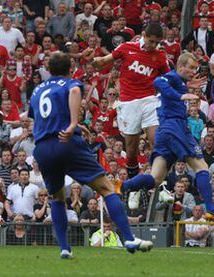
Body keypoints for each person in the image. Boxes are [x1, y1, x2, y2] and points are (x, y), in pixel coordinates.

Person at [28, 52, 152, 259]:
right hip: (66, 142)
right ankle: (129, 238)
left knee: (57, 198)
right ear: (70, 69)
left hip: (43, 147)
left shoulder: (37, 91)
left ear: (49, 69)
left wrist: (76, 127)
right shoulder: (69, 83)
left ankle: (65, 249)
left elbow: (41, 118)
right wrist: (74, 124)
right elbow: (75, 91)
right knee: (107, 188)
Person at [122, 52, 214, 223]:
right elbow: (158, 81)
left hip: (164, 131)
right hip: (175, 127)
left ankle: (124, 186)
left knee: (155, 179)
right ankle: (211, 209)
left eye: (196, 68)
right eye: (191, 67)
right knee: (201, 168)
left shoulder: (179, 82)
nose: (194, 71)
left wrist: (185, 88)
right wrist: (182, 96)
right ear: (180, 67)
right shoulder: (170, 77)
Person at [91, 23, 170, 178]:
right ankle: (133, 184)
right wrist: (94, 60)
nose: (154, 45)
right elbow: (102, 62)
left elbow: (170, 77)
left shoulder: (160, 57)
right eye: (151, 41)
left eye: (157, 43)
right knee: (131, 150)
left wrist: (185, 82)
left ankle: (160, 183)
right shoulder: (126, 47)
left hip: (150, 100)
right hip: (128, 103)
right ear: (144, 35)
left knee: (157, 141)